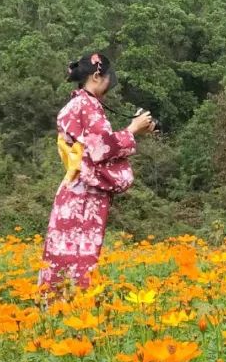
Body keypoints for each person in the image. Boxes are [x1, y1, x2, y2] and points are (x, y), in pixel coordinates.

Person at [39, 52, 155, 296]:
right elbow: (100, 149)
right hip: (84, 194)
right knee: (80, 254)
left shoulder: (77, 104)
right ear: (96, 76)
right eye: (107, 79)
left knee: (62, 253)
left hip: (73, 189)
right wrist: (133, 129)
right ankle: (74, 310)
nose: (109, 86)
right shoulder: (87, 106)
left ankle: (54, 309)